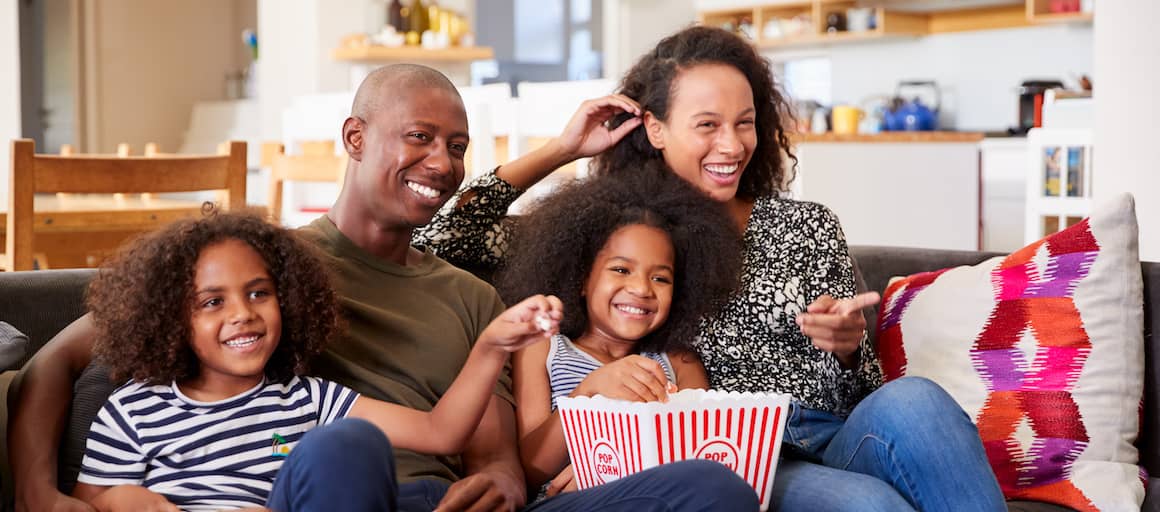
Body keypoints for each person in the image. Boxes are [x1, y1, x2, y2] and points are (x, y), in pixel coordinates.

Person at [11, 63, 757, 512]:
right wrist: (40, 494)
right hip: (336, 494)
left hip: (447, 503)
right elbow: (54, 359)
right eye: (421, 137)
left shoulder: (469, 294)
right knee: (348, 447)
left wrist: (499, 482)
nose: (441, 161)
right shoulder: (262, 271)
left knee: (714, 490)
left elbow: (496, 449)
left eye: (457, 147)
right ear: (356, 138)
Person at [415, 27, 1007, 511]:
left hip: (837, 430)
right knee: (870, 507)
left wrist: (850, 349)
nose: (732, 144)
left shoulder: (808, 224)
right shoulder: (624, 239)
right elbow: (444, 235)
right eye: (707, 125)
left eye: (745, 122)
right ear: (655, 128)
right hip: (742, 453)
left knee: (918, 399)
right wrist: (562, 148)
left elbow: (862, 390)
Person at [71, 211, 561, 512]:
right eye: (212, 302)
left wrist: (491, 347)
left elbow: (441, 433)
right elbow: (90, 501)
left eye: (259, 293)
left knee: (349, 442)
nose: (244, 315)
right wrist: (119, 499)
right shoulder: (133, 413)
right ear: (170, 318)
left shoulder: (307, 398)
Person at [499, 168, 744, 501]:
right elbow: (530, 468)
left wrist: (603, 469)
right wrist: (588, 393)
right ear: (581, 279)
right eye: (620, 270)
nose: (642, 288)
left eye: (661, 278)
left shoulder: (678, 363)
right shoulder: (544, 348)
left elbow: (699, 455)